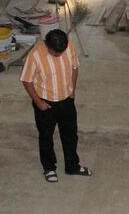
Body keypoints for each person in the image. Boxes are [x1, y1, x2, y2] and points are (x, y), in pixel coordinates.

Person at [20, 29, 92, 183]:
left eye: (62, 52)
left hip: (67, 101)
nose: (60, 55)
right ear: (48, 46)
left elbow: (74, 67)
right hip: (46, 104)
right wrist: (39, 103)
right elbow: (26, 80)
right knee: (46, 137)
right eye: (56, 53)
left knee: (71, 135)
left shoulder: (68, 46)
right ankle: (49, 168)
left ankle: (72, 166)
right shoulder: (36, 56)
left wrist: (73, 90)